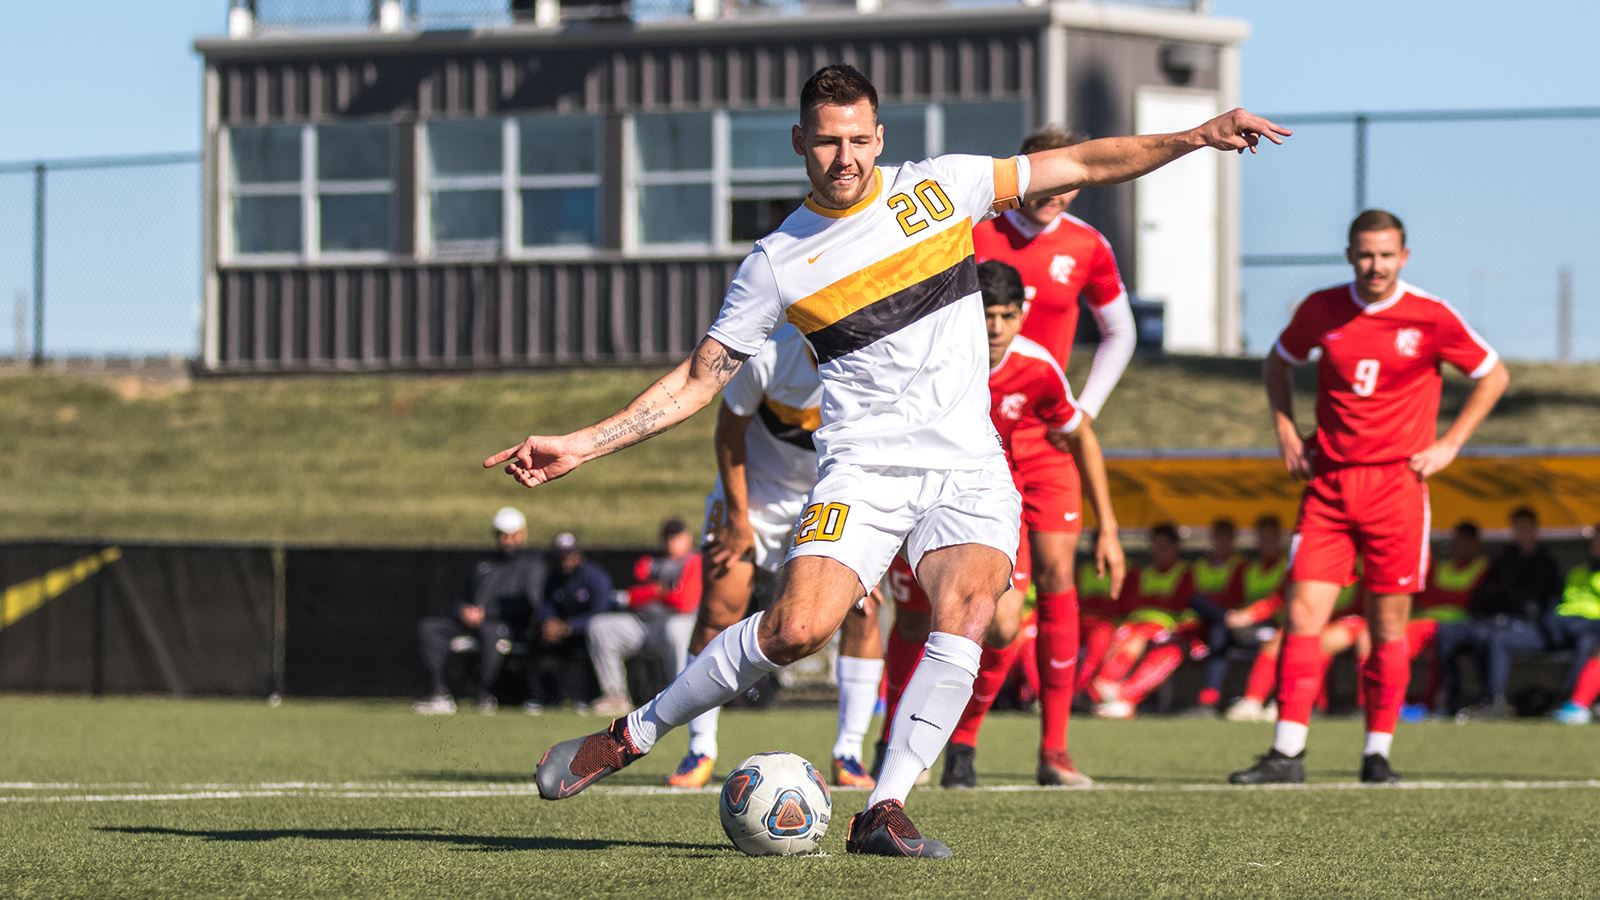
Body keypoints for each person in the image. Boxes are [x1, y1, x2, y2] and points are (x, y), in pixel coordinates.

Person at [489, 63, 1287, 857]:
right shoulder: (777, 261)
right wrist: (581, 444)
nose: (846, 159)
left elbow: (1080, 163)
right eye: (828, 142)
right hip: (863, 473)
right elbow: (701, 382)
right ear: (801, 142)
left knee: (967, 611)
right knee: (798, 629)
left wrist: (1195, 136)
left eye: (860, 140)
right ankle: (633, 733)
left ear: (881, 137)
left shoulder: (942, 188)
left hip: (970, 466)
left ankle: (886, 804)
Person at [1228, 209, 1509, 786]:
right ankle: (1286, 754)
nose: (1374, 265)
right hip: (1328, 487)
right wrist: (1286, 430)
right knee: (1303, 616)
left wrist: (1451, 443)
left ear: (1403, 257)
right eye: (1364, 254)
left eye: (1386, 255)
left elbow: (1492, 374)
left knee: (1386, 627)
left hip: (1396, 488)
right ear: (1350, 254)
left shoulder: (1428, 315)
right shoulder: (1321, 309)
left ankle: (1376, 753)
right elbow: (1278, 361)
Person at [876, 259, 1124, 789]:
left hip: (1019, 484)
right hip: (949, 486)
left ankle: (977, 743)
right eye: (987, 314)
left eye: (1007, 316)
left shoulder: (1036, 365)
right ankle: (894, 742)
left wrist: (1108, 527)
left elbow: (1078, 433)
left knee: (1011, 622)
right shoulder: (936, 356)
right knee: (916, 618)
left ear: (1021, 316)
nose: (994, 328)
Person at [971, 125, 1136, 784]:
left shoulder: (1088, 246)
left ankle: (1055, 750)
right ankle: (958, 740)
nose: (1059, 192)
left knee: (1058, 581)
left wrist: (1086, 407)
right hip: (972, 434)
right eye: (1049, 177)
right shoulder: (976, 229)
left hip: (1045, 437)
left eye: (1073, 179)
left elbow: (1119, 330)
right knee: (988, 606)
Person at [665, 323, 886, 790]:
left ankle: (848, 753)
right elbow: (729, 433)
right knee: (720, 606)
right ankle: (699, 749)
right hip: (757, 494)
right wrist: (739, 517)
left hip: (830, 495)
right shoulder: (768, 354)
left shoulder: (874, 361)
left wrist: (871, 538)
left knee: (863, 610)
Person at [415, 507, 548, 715]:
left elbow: (530, 605)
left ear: (522, 534)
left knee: (491, 632)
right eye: (502, 535)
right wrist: (463, 611)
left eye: (512, 535)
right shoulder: (484, 565)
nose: (507, 540)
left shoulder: (532, 566)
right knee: (430, 628)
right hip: (472, 623)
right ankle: (439, 693)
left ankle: (485, 694)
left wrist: (488, 614)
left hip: (505, 625)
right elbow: (463, 598)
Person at [1433, 507, 1562, 716]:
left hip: (1530, 627)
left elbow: (1540, 602)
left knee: (1496, 639)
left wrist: (1511, 601)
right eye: (1516, 528)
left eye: (1525, 528)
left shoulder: (1546, 564)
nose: (1520, 533)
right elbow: (1483, 596)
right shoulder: (1503, 561)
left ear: (1535, 530)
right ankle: (1451, 699)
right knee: (1448, 633)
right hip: (1493, 620)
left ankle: (1494, 700)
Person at [1485, 522, 1600, 718]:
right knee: (1500, 638)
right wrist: (1551, 620)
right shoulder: (1576, 572)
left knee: (1587, 643)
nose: (1596, 543)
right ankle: (1495, 701)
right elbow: (1553, 601)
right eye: (1596, 538)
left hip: (1588, 631)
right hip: (1556, 629)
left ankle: (1570, 702)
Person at [588, 519, 700, 716]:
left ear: (688, 538)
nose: (671, 542)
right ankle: (615, 696)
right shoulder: (649, 562)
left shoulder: (694, 562)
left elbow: (684, 602)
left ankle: (684, 698)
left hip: (680, 625)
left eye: (677, 537)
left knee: (675, 628)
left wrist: (651, 592)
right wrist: (660, 590)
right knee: (600, 626)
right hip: (644, 624)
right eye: (668, 537)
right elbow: (630, 597)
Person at [1090, 523, 1195, 719]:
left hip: (1169, 631)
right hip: (1133, 627)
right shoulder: (1141, 574)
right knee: (1113, 637)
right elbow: (1127, 606)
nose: (1159, 551)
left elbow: (1184, 606)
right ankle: (1103, 689)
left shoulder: (1185, 573)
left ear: (1175, 548)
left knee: (1164, 649)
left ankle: (1124, 696)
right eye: (1156, 546)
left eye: (1164, 546)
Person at [1405, 521, 1487, 714]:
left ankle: (1431, 702)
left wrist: (1440, 595)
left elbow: (1469, 599)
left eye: (1467, 541)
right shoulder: (1441, 567)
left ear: (1476, 544)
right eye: (1458, 541)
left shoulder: (1482, 567)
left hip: (1456, 625)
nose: (1461, 545)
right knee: (1394, 647)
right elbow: (1425, 597)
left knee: (1441, 645)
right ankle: (1390, 701)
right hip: (1424, 622)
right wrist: (1450, 595)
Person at [532, 532, 616, 711]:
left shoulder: (595, 577)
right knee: (535, 639)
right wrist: (549, 623)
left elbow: (601, 612)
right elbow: (546, 605)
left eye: (569, 554)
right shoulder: (554, 578)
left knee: (592, 637)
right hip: (560, 632)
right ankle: (544, 696)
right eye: (561, 555)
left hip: (586, 632)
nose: (566, 560)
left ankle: (584, 697)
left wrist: (570, 627)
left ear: (578, 554)